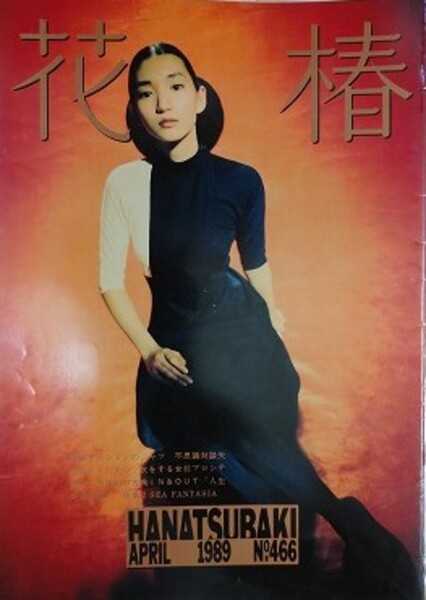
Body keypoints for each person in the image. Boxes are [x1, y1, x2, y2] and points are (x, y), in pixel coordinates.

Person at [99, 42, 419, 599]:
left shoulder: (241, 180)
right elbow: (109, 282)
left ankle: (346, 534)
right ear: (136, 110)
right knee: (201, 449)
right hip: (172, 342)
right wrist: (148, 350)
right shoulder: (125, 183)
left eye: (176, 86)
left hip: (237, 331)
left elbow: (257, 265)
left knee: (251, 437)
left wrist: (274, 327)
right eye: (146, 93)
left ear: (200, 97)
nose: (163, 103)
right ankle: (327, 531)